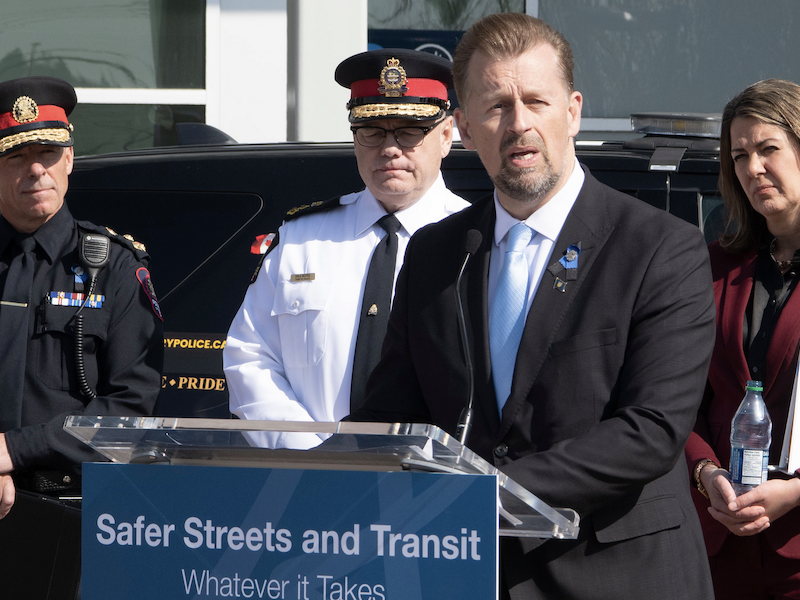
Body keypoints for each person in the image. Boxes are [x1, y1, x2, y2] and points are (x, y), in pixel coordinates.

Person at [348, 13, 716, 599]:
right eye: (496, 106)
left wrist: (480, 494)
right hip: (468, 575)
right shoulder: (437, 253)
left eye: (536, 102)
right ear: (464, 128)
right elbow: (392, 413)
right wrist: (319, 482)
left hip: (616, 575)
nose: (519, 124)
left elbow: (651, 430)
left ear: (572, 112)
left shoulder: (660, 249)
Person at [223, 49, 468, 449]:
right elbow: (250, 355)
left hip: (433, 485)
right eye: (372, 131)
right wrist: (312, 455)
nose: (390, 149)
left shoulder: (476, 240)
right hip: (309, 481)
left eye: (409, 131)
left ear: (444, 137)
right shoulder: (303, 238)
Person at [0, 76, 164, 518]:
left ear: (69, 158)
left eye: (48, 154)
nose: (36, 169)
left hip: (75, 507)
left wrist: (13, 451)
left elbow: (132, 403)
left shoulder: (114, 267)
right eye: (16, 156)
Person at [685, 78, 800, 599]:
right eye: (739, 155)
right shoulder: (715, 267)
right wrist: (706, 472)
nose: (753, 168)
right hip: (718, 546)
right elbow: (677, 399)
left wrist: (794, 492)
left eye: (768, 149)